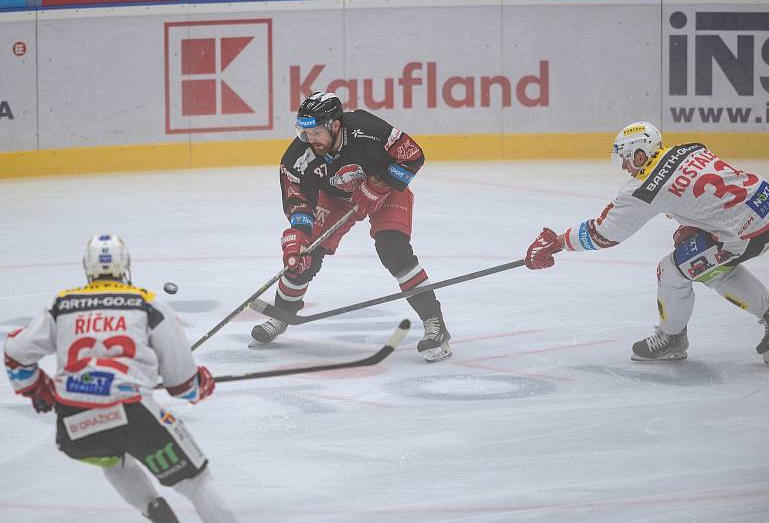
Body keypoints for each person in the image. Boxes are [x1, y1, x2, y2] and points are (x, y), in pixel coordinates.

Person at [3, 234, 236, 523]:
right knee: (195, 481)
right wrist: (200, 385)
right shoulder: (147, 304)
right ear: (126, 265)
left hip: (73, 422)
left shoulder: (61, 304)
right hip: (132, 414)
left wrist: (37, 388)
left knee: (113, 459)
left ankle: (160, 516)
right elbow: (182, 385)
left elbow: (15, 354)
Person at [524, 121, 769, 363]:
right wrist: (694, 225)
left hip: (744, 233)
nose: (625, 167)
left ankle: (672, 339)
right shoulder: (689, 148)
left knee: (672, 271)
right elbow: (704, 194)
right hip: (766, 207)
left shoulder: (644, 187)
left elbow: (605, 233)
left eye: (627, 159)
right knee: (704, 266)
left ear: (641, 153)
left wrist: (557, 243)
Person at [251, 91, 452, 363]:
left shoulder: (367, 130)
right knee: (305, 256)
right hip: (336, 199)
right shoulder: (299, 157)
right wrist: (298, 236)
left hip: (387, 191)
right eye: (305, 133)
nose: (310, 140)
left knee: (394, 249)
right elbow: (298, 200)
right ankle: (281, 314)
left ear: (335, 125)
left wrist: (377, 185)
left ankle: (434, 323)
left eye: (317, 133)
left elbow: (412, 155)